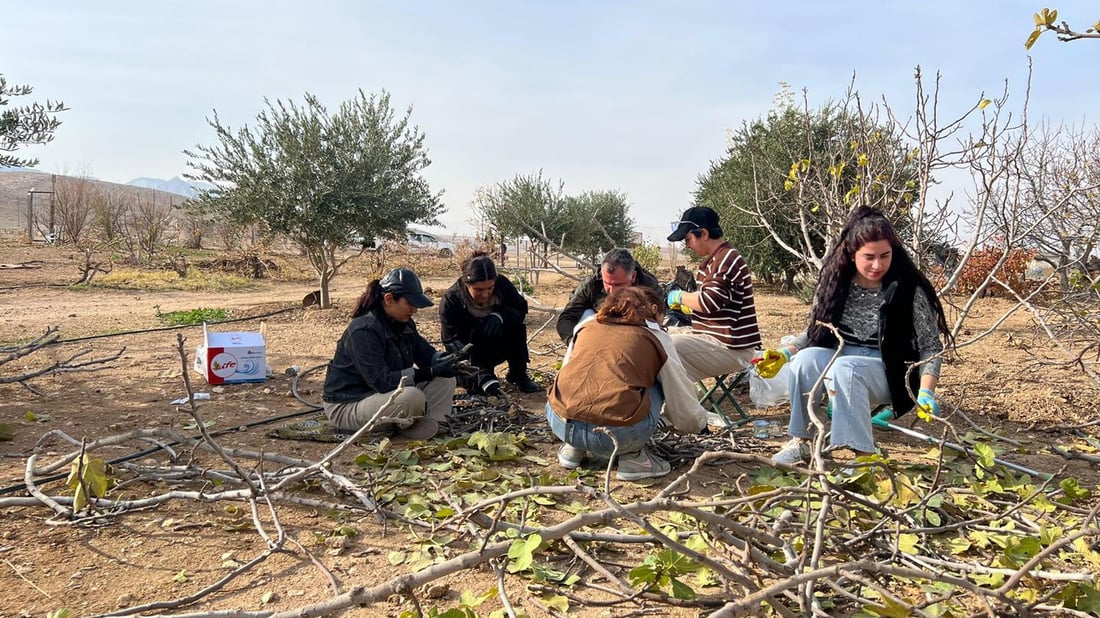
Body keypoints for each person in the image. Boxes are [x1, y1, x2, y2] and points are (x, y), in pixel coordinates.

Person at [758, 206, 952, 465]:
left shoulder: (907, 289)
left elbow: (931, 346)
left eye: (885, 256)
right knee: (805, 361)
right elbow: (816, 331)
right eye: (869, 257)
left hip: (889, 372)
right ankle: (802, 441)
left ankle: (863, 457)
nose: (878, 265)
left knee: (845, 367)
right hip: (844, 360)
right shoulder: (835, 284)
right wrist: (786, 352)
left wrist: (927, 391)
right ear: (851, 254)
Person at [546, 286, 709, 482]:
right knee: (658, 381)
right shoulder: (655, 336)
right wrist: (696, 423)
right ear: (653, 310)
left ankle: (573, 450)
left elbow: (565, 373)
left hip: (560, 423)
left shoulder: (585, 326)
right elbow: (679, 390)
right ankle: (633, 458)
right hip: (615, 436)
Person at [322, 267, 459, 439]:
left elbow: (426, 355)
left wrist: (448, 359)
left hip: (382, 397)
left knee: (446, 379)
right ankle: (409, 425)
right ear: (389, 299)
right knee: (412, 396)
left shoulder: (404, 324)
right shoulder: (364, 331)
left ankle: (433, 424)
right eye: (410, 304)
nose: (414, 310)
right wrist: (430, 371)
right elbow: (382, 382)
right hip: (349, 404)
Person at [665, 206, 763, 382]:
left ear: (703, 233)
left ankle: (682, 406)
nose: (687, 246)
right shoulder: (717, 259)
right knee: (658, 336)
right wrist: (689, 306)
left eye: (688, 239)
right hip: (716, 340)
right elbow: (716, 302)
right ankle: (680, 400)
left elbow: (708, 302)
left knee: (668, 346)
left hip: (733, 348)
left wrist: (679, 296)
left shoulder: (726, 260)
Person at [439, 251, 541, 394]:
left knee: (516, 327)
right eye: (478, 289)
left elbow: (520, 307)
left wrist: (499, 315)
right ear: (466, 283)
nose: (486, 294)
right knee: (481, 390)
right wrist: (482, 376)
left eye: (490, 288)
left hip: (498, 344)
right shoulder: (451, 301)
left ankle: (518, 374)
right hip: (471, 354)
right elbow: (451, 342)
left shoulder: (502, 285)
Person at [555, 248, 663, 344]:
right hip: (598, 332)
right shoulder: (591, 285)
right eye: (607, 283)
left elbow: (657, 321)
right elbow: (566, 318)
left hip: (636, 335)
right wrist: (575, 343)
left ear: (633, 277)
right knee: (587, 315)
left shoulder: (649, 288)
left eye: (618, 285)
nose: (612, 291)